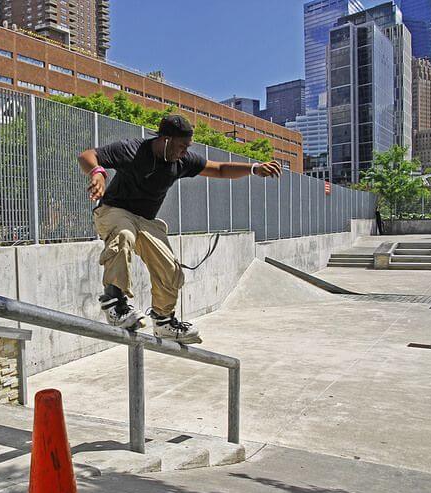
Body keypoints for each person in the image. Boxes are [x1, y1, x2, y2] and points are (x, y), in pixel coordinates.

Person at [78, 115, 281, 344]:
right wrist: (97, 172)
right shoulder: (132, 149)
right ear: (165, 140)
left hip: (146, 221)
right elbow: (87, 155)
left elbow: (221, 169)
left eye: (188, 147)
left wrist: (254, 168)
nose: (183, 152)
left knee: (170, 267)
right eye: (181, 146)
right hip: (114, 211)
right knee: (123, 236)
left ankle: (164, 320)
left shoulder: (183, 162)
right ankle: (114, 303)